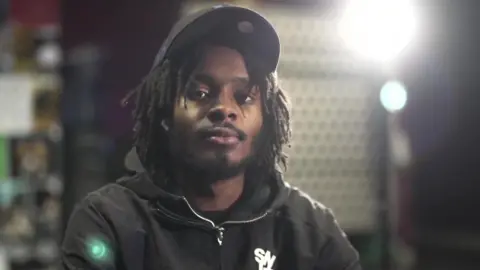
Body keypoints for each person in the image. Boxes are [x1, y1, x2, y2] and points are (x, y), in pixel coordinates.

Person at [61, 4, 361, 270]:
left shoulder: (310, 231)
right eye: (200, 93)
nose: (224, 109)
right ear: (165, 112)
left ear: (265, 119)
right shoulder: (109, 223)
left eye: (243, 97)